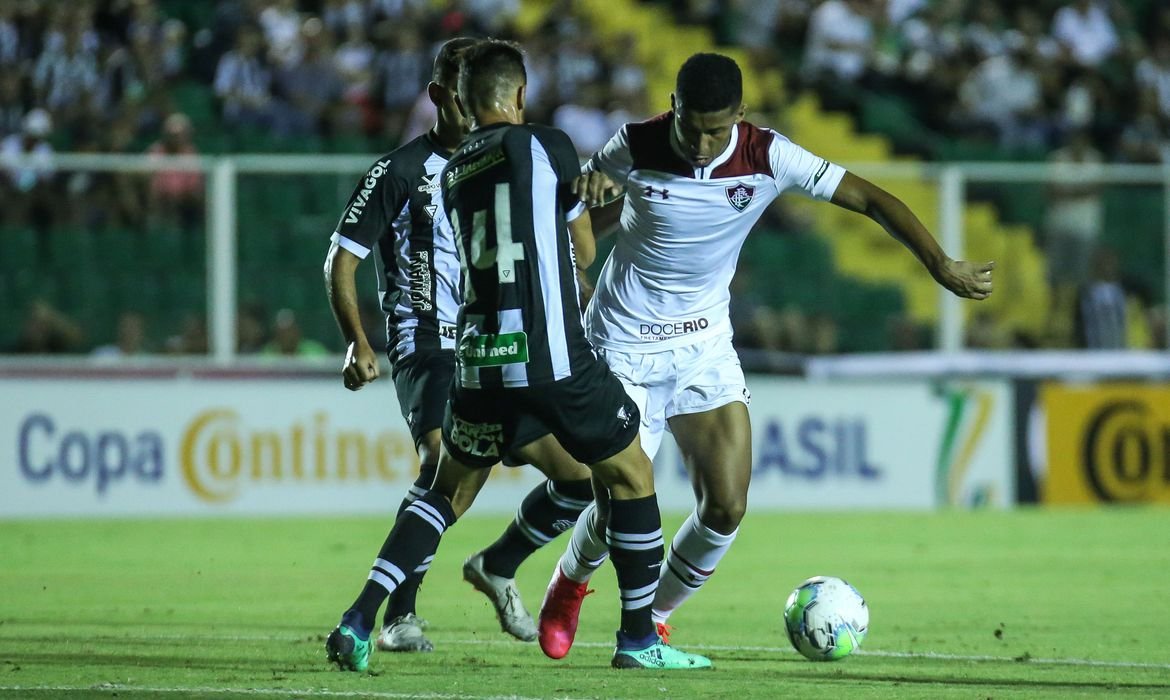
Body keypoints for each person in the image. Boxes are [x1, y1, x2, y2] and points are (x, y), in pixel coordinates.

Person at [538, 52, 995, 657]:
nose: (703, 142)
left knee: (726, 505)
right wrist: (584, 201)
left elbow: (871, 199)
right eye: (693, 126)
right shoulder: (634, 145)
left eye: (717, 129)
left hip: (704, 346)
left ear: (741, 115)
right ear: (673, 108)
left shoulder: (769, 154)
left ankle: (657, 617)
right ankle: (570, 581)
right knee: (622, 498)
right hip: (622, 343)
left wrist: (941, 263)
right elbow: (573, 220)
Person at [324, 39, 711, 673]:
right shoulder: (548, 145)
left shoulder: (450, 175)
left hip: (479, 363)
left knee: (448, 488)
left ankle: (362, 619)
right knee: (631, 475)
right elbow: (582, 250)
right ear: (521, 95)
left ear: (464, 103)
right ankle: (639, 639)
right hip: (548, 357)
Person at [322, 38, 597, 657]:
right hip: (426, 341)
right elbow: (340, 262)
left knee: (581, 479)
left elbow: (579, 243)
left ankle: (496, 565)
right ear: (440, 96)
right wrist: (356, 342)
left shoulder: (517, 158)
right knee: (442, 462)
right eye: (458, 91)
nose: (470, 105)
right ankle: (394, 614)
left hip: (500, 344)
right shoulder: (398, 170)